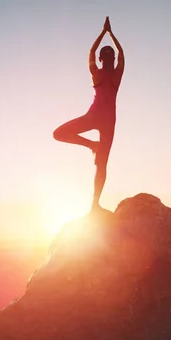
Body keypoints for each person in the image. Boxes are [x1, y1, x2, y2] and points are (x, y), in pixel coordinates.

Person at [53, 16, 125, 212]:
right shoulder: (103, 74)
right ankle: (91, 145)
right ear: (104, 59)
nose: (110, 56)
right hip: (97, 117)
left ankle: (95, 204)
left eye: (110, 54)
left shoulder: (108, 74)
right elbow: (117, 53)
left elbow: (103, 52)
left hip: (105, 121)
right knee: (58, 133)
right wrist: (109, 33)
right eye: (107, 54)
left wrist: (106, 33)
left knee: (102, 165)